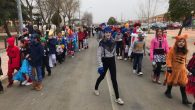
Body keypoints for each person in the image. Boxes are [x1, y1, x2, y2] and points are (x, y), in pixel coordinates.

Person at [94, 26, 124, 105]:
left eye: (109, 32)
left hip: (112, 61)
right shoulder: (102, 42)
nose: (108, 34)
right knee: (102, 76)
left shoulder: (114, 41)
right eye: (106, 32)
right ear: (104, 33)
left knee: (114, 79)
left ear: (111, 33)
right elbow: (98, 55)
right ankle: (96, 88)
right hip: (105, 61)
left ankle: (117, 98)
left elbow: (114, 53)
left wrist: (114, 62)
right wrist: (100, 65)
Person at [164, 34, 191, 105]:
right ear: (176, 42)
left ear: (185, 43)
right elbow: (168, 58)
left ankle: (184, 99)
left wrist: (186, 69)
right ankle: (168, 92)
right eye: (179, 41)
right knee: (170, 81)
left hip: (182, 70)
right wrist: (169, 66)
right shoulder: (172, 50)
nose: (181, 43)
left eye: (183, 42)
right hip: (173, 69)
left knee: (183, 84)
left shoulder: (185, 51)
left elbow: (184, 60)